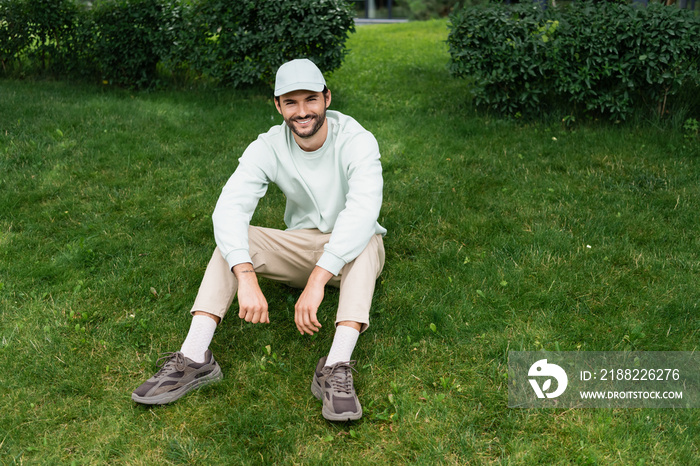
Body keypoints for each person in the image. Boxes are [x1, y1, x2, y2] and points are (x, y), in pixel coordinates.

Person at [131, 58, 386, 422]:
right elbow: (229, 209)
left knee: (367, 241)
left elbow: (362, 212)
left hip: (352, 254)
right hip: (300, 246)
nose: (303, 112)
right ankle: (194, 356)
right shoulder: (268, 145)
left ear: (327, 98)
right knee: (233, 239)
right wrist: (245, 274)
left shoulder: (358, 141)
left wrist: (318, 280)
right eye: (291, 102)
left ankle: (336, 365)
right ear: (278, 105)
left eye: (311, 99)